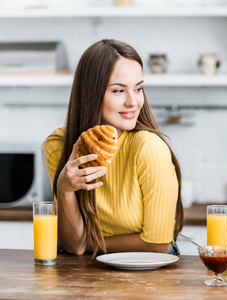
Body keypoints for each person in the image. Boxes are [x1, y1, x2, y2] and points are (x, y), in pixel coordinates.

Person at [44, 39, 183, 256]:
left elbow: (158, 245)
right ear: (91, 93)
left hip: (149, 271)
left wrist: (87, 244)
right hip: (86, 273)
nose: (133, 102)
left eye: (138, 89)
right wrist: (65, 189)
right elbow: (74, 245)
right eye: (119, 91)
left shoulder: (149, 148)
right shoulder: (58, 146)